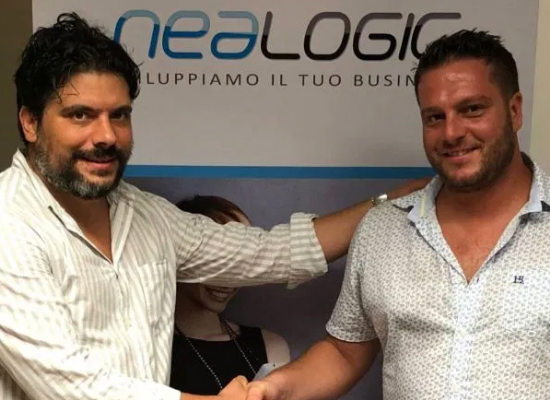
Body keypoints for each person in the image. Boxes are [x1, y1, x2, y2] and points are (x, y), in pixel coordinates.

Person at [0, 12, 427, 400]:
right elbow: (72, 385)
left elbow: (272, 253)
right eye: (80, 115)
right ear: (30, 123)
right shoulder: (9, 222)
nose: (106, 136)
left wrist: (390, 202)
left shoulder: (147, 216)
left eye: (119, 115)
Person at [247, 29, 550, 400]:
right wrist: (274, 388)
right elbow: (345, 352)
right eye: (434, 117)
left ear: (514, 110)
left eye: (472, 109)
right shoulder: (382, 229)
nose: (452, 132)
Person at [170, 195, 290, 395]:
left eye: (242, 260)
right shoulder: (147, 348)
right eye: (218, 259)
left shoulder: (270, 346)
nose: (231, 278)